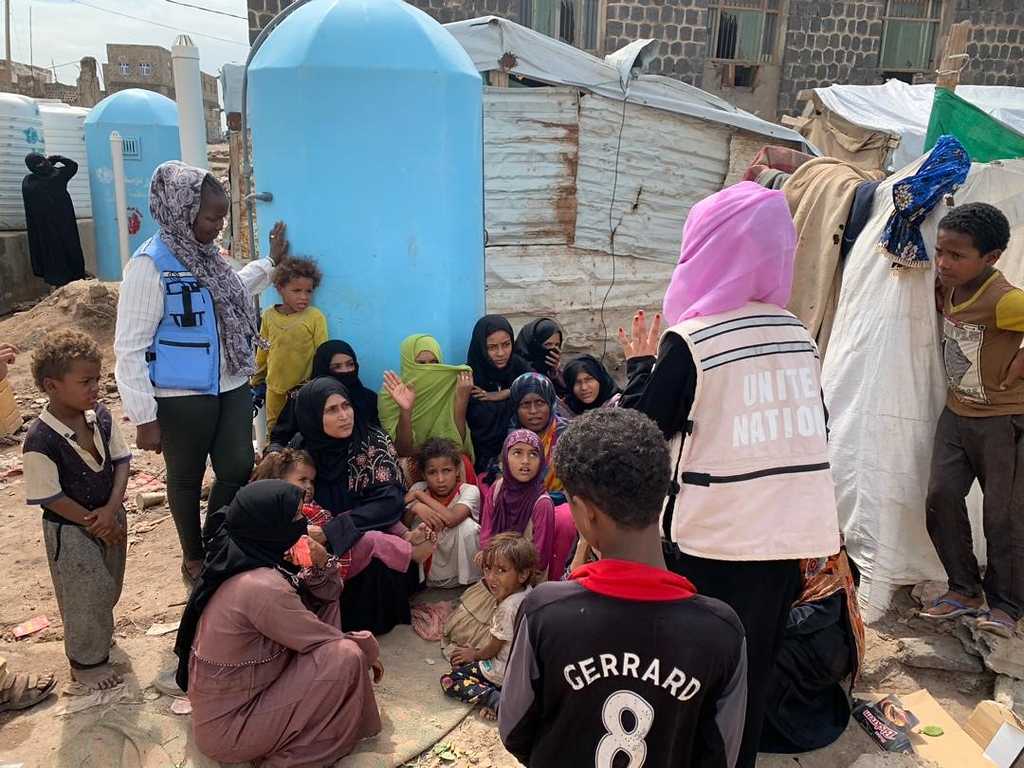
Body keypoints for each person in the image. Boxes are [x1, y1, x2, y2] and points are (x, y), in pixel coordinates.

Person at [619, 182, 840, 768]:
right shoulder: (795, 334)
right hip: (784, 539)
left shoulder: (695, 341)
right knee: (752, 665)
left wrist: (641, 368)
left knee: (688, 667)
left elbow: (642, 432)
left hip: (709, 539)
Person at [499, 409, 748, 767]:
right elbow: (722, 756)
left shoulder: (544, 611)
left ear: (586, 513)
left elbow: (514, 730)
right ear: (662, 495)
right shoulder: (722, 630)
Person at [114, 161, 282, 588]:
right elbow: (129, 347)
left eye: (222, 217)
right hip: (178, 394)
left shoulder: (210, 257)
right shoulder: (149, 266)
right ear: (181, 211)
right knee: (186, 477)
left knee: (237, 465)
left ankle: (214, 540)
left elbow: (234, 288)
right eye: (211, 217)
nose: (217, 227)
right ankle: (194, 555)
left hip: (230, 382)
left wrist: (269, 263)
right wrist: (144, 416)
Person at [174, 480, 383, 767]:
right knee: (346, 657)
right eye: (296, 517)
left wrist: (320, 561)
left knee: (323, 602)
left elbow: (329, 595)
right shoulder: (262, 586)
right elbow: (325, 641)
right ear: (269, 526)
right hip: (232, 727)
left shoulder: (246, 554)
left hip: (248, 695)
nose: (304, 524)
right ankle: (290, 755)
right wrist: (367, 648)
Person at [921, 202, 1023, 638]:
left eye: (957, 256)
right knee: (940, 497)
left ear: (992, 257)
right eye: (941, 251)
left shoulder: (1004, 300)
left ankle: (1007, 604)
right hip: (956, 413)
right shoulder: (945, 286)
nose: (944, 263)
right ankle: (963, 588)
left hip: (1004, 422)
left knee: (1004, 518)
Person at [22, 330, 131, 693]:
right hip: (71, 530)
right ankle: (85, 663)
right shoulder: (40, 439)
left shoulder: (99, 417)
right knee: (85, 591)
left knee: (109, 586)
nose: (95, 388)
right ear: (52, 386)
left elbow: (121, 462)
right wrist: (96, 523)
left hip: (110, 518)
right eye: (85, 381)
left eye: (97, 379)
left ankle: (98, 638)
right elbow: (51, 497)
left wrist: (112, 510)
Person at [290, 376, 414, 633]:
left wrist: (335, 530)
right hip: (314, 536)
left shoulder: (371, 441)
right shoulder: (302, 445)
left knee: (374, 551)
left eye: (346, 406)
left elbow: (390, 502)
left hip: (363, 534)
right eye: (332, 410)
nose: (344, 416)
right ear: (312, 415)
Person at [251, 448, 434, 580]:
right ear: (280, 481)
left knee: (371, 516)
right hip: (330, 562)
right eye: (302, 480)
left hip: (337, 543)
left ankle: (407, 536)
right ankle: (413, 553)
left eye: (312, 481)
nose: (308, 486)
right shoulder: (283, 510)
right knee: (371, 539)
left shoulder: (308, 503)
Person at [760, 550, 865, 754]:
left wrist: (762, 624)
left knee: (759, 657)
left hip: (821, 643)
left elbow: (820, 612)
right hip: (784, 626)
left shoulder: (819, 545)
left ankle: (779, 725)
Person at [442, 532, 536, 718]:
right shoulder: (527, 593)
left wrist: (474, 654)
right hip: (521, 672)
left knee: (451, 679)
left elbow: (494, 648)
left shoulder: (507, 608)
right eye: (487, 569)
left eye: (501, 570)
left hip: (502, 672)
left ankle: (496, 700)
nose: (491, 578)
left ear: (523, 574)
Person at [252, 251, 328, 431]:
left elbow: (322, 353)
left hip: (304, 391)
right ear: (280, 288)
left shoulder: (314, 317)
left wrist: (317, 385)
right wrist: (256, 380)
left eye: (308, 291)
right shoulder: (269, 315)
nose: (304, 296)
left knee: (303, 430)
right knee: (274, 430)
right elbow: (263, 350)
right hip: (274, 389)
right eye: (297, 291)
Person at [269, 339, 380, 449]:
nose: (345, 371)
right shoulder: (303, 397)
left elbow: (376, 436)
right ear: (323, 368)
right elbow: (280, 438)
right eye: (337, 367)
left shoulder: (367, 398)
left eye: (350, 364)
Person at [380, 333, 474, 460]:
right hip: (411, 462)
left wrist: (461, 401)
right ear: (407, 363)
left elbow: (459, 444)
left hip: (445, 459)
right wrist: (405, 411)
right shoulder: (389, 395)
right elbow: (402, 451)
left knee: (462, 463)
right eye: (421, 364)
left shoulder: (449, 385)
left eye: (434, 362)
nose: (428, 368)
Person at [479, 429, 555, 578]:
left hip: (526, 577)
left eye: (533, 454)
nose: (525, 461)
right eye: (517, 453)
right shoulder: (497, 488)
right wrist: (488, 555)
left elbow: (540, 559)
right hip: (495, 569)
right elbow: (486, 533)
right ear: (505, 459)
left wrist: (508, 567)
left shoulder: (542, 503)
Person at [406, 437, 481, 588]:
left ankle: (472, 582)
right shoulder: (418, 488)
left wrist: (420, 498)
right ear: (423, 474)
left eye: (446, 471)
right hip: (430, 571)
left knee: (467, 527)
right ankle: (423, 582)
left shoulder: (469, 490)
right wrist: (415, 507)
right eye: (432, 472)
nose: (440, 479)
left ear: (457, 471)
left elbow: (451, 519)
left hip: (460, 571)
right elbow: (403, 523)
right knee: (419, 524)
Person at [465, 315, 531, 474]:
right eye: (492, 347)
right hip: (483, 464)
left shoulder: (518, 367)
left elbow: (540, 387)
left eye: (506, 345)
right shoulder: (469, 377)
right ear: (481, 347)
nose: (501, 353)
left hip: (525, 460)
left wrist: (500, 394)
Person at [21, 153, 86, 287]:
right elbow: (73, 166)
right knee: (67, 253)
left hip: (46, 230)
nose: (43, 165)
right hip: (62, 226)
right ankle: (71, 283)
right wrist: (57, 159)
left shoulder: (29, 182)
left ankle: (60, 284)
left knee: (54, 256)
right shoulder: (58, 177)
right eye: (40, 163)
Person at [508, 372, 568, 498]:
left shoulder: (569, 436)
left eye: (540, 403)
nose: (533, 411)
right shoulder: (511, 440)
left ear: (551, 404)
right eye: (525, 404)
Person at [513, 318, 565, 395]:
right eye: (548, 344)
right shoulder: (516, 366)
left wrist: (555, 373)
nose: (553, 350)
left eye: (557, 345)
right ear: (534, 344)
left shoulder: (553, 370)